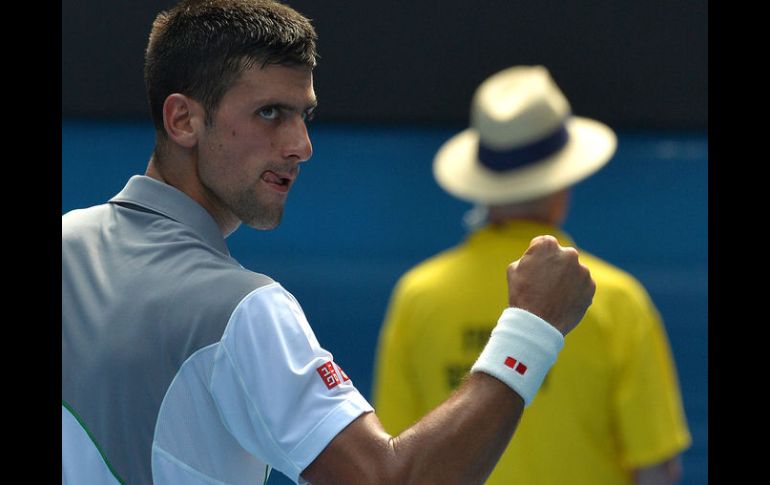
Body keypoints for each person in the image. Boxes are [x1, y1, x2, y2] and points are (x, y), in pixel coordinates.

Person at [62, 2, 597, 484]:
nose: (302, 146)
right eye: (270, 112)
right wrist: (531, 330)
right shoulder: (243, 311)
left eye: (304, 115)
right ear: (183, 120)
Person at [372, 65, 692, 485]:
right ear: (565, 180)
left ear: (482, 182)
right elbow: (656, 469)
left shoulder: (418, 296)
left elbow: (396, 456)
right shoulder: (615, 299)